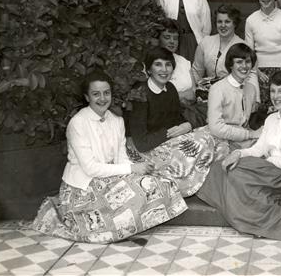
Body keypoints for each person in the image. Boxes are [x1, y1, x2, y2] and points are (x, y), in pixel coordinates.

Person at [31, 70, 187, 243]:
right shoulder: (78, 123)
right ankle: (109, 228)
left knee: (157, 183)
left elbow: (121, 158)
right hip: (83, 186)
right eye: (96, 94)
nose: (102, 99)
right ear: (87, 97)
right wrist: (131, 169)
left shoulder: (116, 121)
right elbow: (91, 168)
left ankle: (123, 226)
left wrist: (136, 173)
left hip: (108, 178)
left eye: (106, 93)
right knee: (132, 196)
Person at [198, 70, 281, 240]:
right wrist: (238, 153)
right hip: (271, 167)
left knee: (238, 177)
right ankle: (247, 215)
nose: (276, 96)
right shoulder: (272, 119)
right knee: (220, 167)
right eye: (273, 91)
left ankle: (266, 221)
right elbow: (259, 149)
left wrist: (260, 163)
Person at [125, 47, 216, 197]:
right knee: (199, 142)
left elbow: (176, 120)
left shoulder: (170, 88)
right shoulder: (140, 94)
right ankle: (181, 186)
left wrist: (187, 126)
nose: (164, 69)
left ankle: (193, 177)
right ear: (148, 69)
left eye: (168, 65)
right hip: (141, 149)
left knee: (209, 133)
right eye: (158, 64)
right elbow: (141, 143)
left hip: (163, 139)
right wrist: (171, 132)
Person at [245, 0, 281, 112]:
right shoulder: (251, 20)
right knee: (252, 87)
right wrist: (257, 71)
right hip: (257, 68)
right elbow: (249, 52)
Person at [192, 4, 258, 100]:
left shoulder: (243, 46)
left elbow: (251, 75)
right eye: (219, 21)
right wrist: (194, 91)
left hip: (234, 96)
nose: (223, 25)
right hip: (206, 97)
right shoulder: (205, 42)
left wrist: (255, 100)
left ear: (234, 23)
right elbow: (196, 72)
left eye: (227, 22)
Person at [207, 43, 262, 151]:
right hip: (216, 140)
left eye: (248, 61)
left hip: (240, 140)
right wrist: (250, 134)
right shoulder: (217, 89)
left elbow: (244, 123)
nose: (244, 66)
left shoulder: (251, 88)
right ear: (230, 65)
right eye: (239, 62)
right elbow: (215, 127)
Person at [158, 18, 195, 104]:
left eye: (175, 38)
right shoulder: (152, 63)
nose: (172, 41)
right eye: (167, 37)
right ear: (158, 39)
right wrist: (182, 96)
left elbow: (193, 93)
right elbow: (158, 99)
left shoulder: (184, 62)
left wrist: (172, 97)